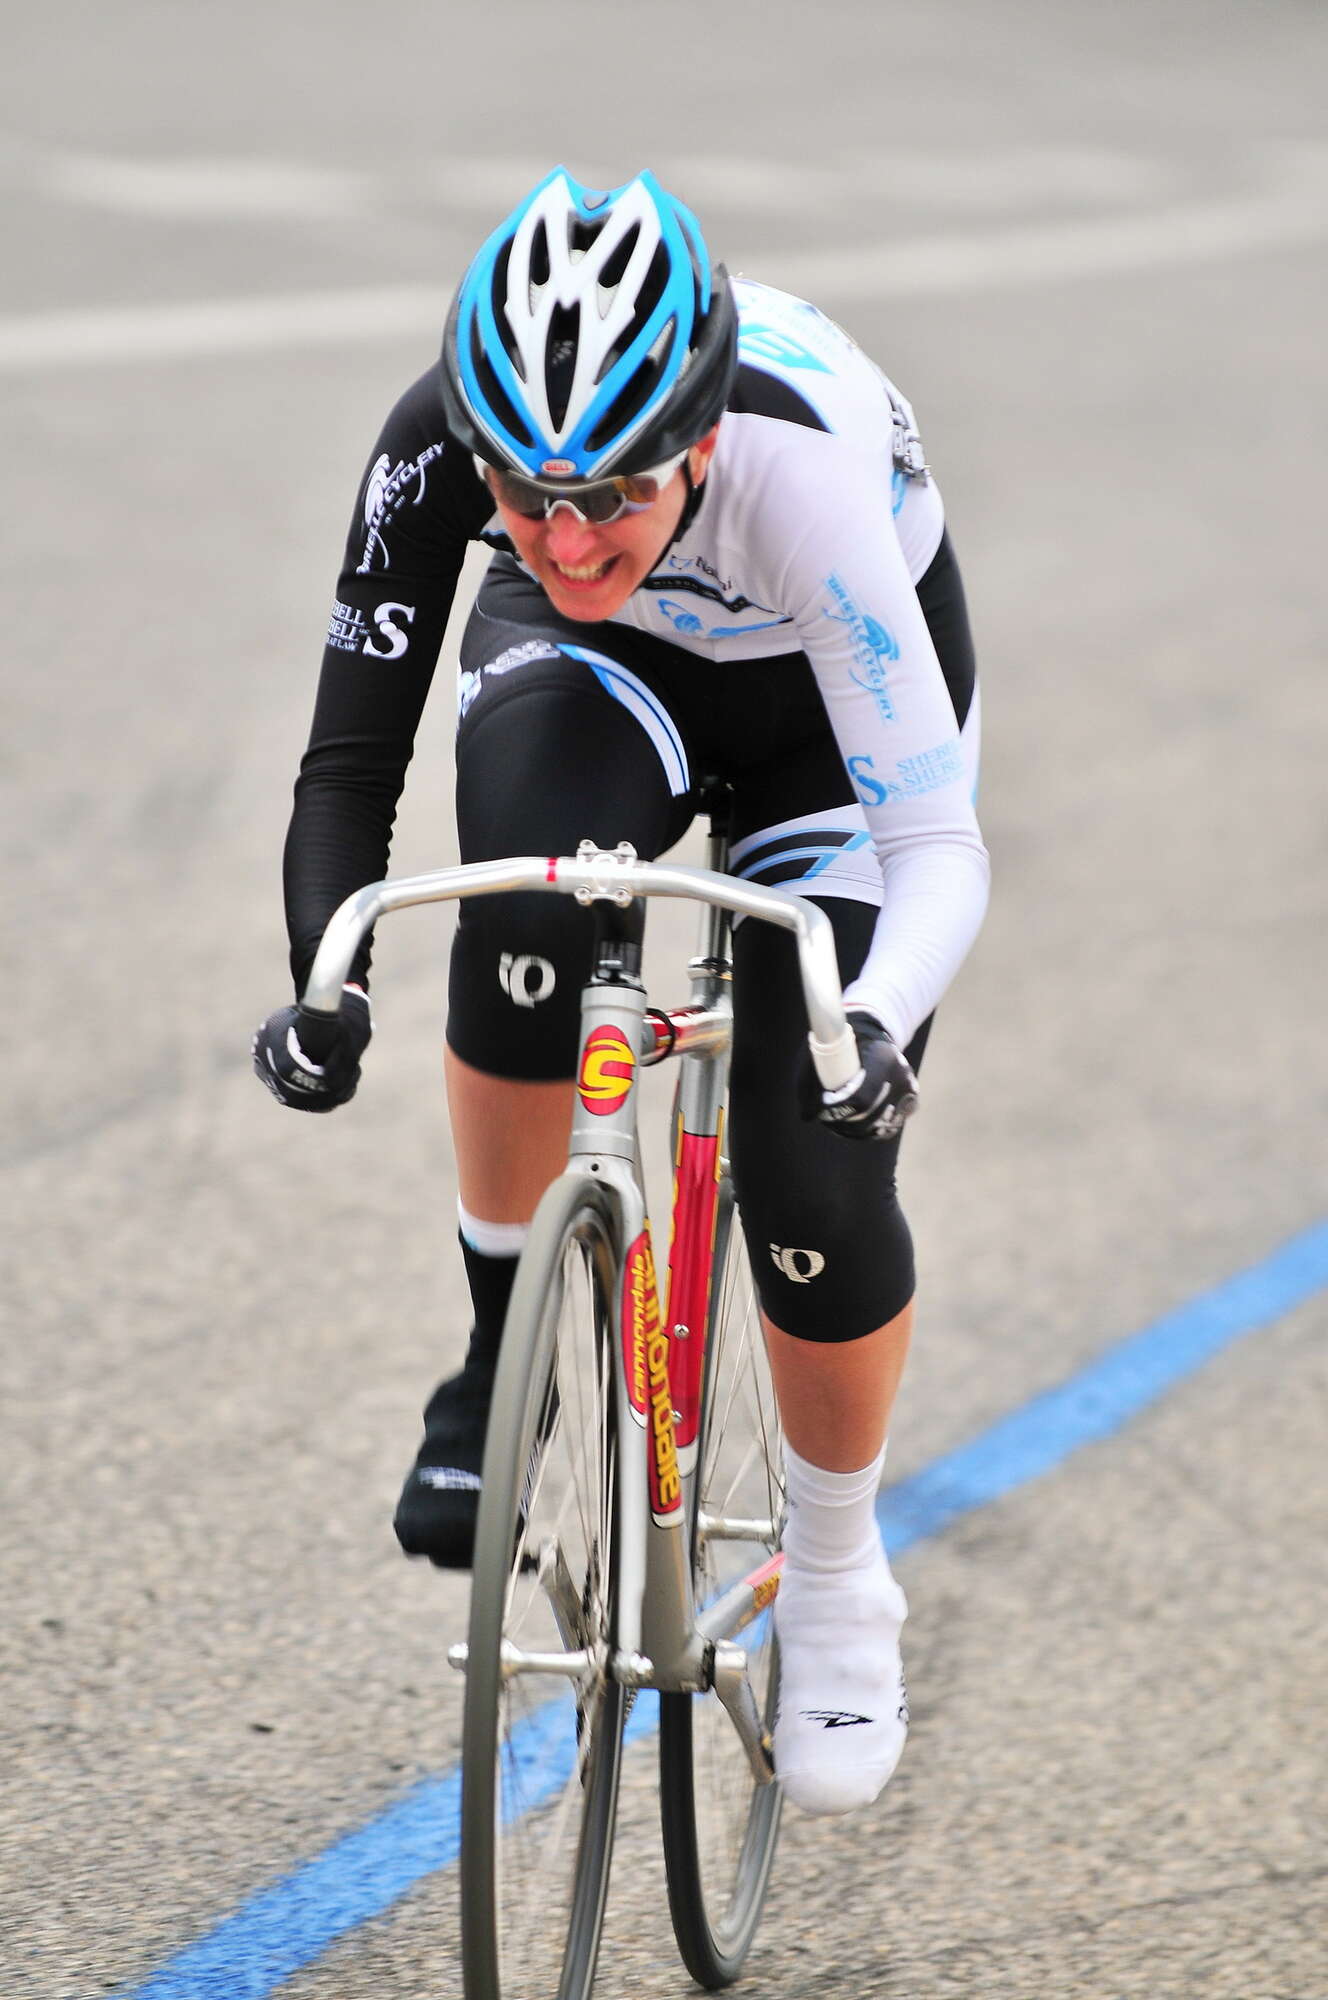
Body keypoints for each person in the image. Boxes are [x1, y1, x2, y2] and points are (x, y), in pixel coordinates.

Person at [254, 167, 988, 1817]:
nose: (569, 536)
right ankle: (496, 1359)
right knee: (518, 899)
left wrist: (869, 1027)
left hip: (827, 730)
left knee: (813, 1161)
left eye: (612, 497)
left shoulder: (801, 478)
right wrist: (327, 978)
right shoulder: (435, 444)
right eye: (529, 498)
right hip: (608, 678)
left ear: (699, 445)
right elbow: (347, 772)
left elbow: (937, 845)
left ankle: (837, 1569)